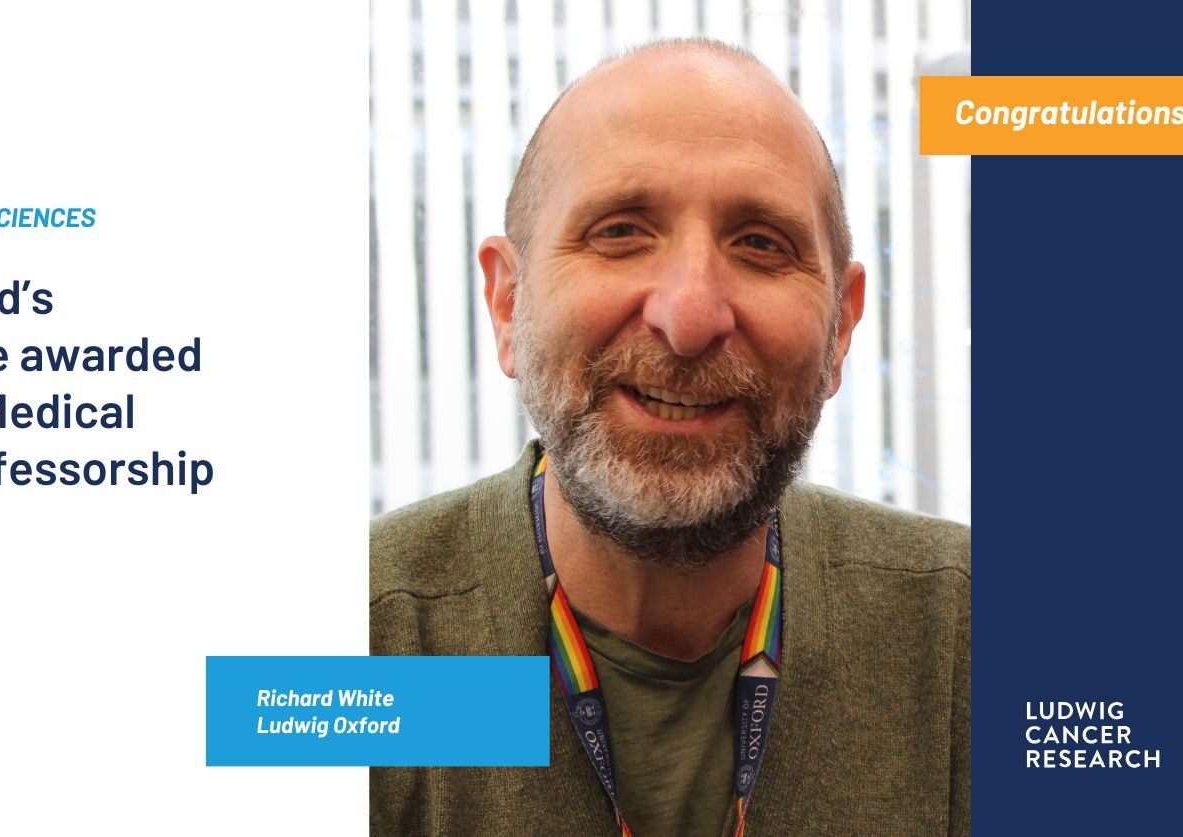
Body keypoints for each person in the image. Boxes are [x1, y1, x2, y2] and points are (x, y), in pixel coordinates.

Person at [370, 39, 969, 837]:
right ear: (509, 304)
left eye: (761, 243)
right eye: (620, 231)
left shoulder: (966, 640)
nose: (689, 319)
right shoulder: (347, 651)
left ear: (841, 329)